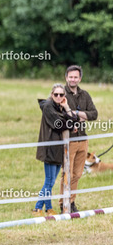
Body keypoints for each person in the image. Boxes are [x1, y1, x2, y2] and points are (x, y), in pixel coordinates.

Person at [34, 84, 78, 216]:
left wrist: (67, 107)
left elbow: (74, 120)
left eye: (61, 95)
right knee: (49, 180)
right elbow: (58, 124)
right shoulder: (48, 106)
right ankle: (42, 208)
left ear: (64, 96)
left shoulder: (60, 107)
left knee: (51, 181)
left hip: (59, 149)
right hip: (50, 148)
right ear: (51, 95)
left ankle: (43, 208)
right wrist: (71, 126)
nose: (58, 97)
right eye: (56, 94)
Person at [62, 65, 98, 213]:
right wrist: (79, 117)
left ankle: (71, 202)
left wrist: (77, 113)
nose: (73, 79)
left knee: (77, 174)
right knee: (67, 173)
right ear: (66, 77)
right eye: (70, 77)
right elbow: (61, 115)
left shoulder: (85, 95)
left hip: (83, 139)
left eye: (75, 77)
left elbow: (94, 114)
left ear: (80, 78)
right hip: (68, 140)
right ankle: (63, 203)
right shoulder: (60, 93)